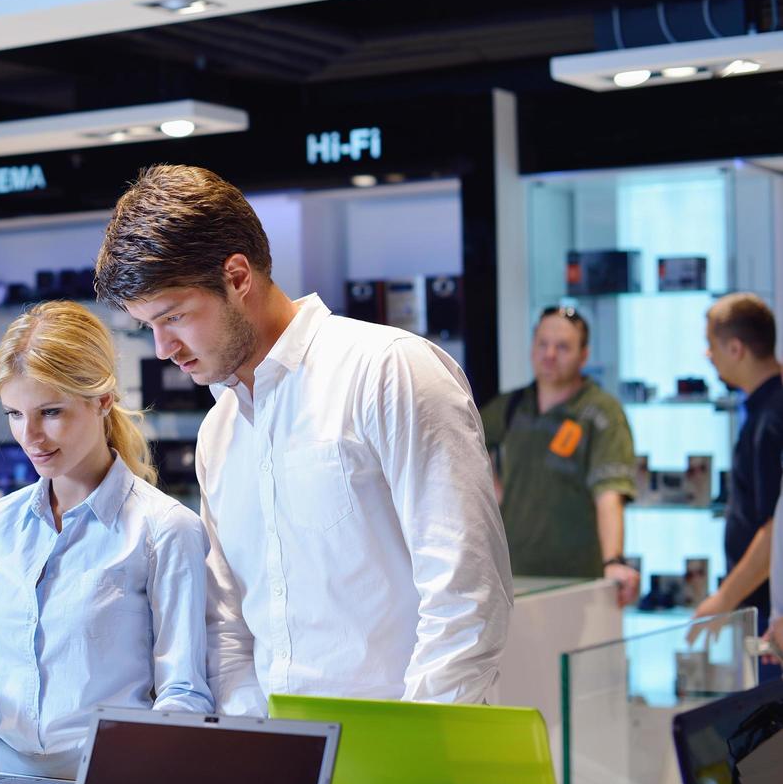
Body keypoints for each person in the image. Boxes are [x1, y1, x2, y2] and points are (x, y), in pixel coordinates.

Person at [94, 164, 512, 714]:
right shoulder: (219, 433)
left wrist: (414, 747)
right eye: (147, 326)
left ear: (239, 277)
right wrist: (259, 746)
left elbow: (467, 594)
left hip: (414, 753)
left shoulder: (388, 371)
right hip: (287, 767)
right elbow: (231, 626)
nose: (164, 349)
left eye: (175, 317)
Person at [0, 301, 213, 779]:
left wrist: (139, 780)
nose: (31, 436)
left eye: (50, 412)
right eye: (15, 414)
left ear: (103, 399)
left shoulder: (165, 529)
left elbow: (184, 694)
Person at [480, 307, 640, 604]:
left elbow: (610, 493)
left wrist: (614, 561)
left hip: (578, 581)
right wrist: (494, 489)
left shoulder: (600, 413)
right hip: (513, 575)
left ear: (584, 355)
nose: (550, 354)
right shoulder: (514, 405)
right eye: (542, 344)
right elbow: (465, 437)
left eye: (563, 347)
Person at [691, 295, 783, 648]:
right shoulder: (765, 409)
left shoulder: (769, 419)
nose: (707, 355)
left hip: (771, 619)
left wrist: (723, 599)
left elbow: (776, 528)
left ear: (735, 348)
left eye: (710, 344)